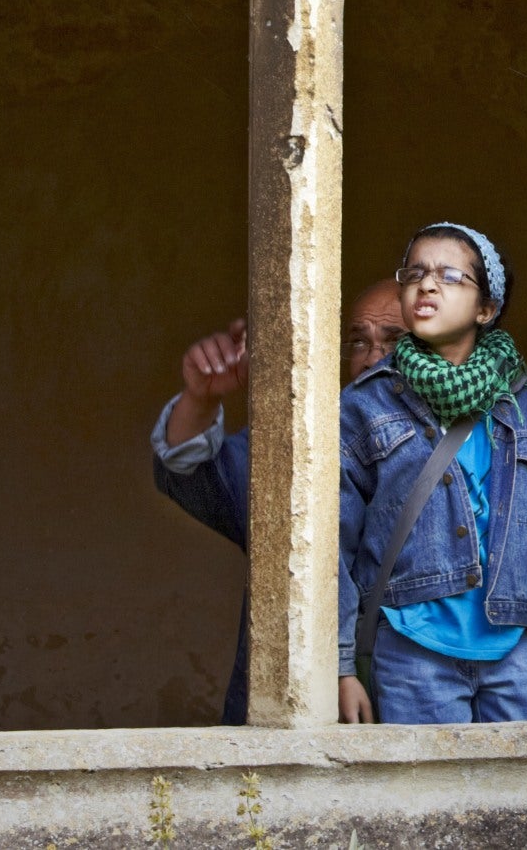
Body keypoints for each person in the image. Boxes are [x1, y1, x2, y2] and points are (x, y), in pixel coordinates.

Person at [337, 221, 527, 724]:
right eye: (415, 273)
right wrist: (343, 667)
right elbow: (332, 544)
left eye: (450, 276)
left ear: (485, 309)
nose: (427, 285)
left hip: (516, 652)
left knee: (522, 796)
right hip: (412, 652)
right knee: (428, 798)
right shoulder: (363, 406)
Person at [151, 280, 408, 724]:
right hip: (295, 725)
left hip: (425, 710)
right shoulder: (302, 444)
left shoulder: (474, 445)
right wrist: (201, 397)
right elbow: (190, 477)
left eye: (394, 341)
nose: (371, 358)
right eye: (359, 342)